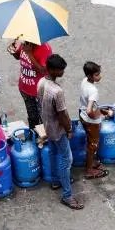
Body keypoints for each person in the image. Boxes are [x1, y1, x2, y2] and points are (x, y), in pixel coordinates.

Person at [37, 54, 82, 210]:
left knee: (53, 153)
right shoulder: (57, 91)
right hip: (58, 130)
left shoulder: (41, 82)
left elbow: (40, 105)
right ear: (52, 70)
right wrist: (69, 129)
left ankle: (56, 180)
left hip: (48, 126)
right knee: (66, 159)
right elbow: (62, 114)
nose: (63, 71)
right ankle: (67, 195)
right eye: (60, 69)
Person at [7, 38, 52, 128]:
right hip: (24, 88)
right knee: (32, 117)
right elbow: (18, 56)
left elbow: (43, 71)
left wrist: (29, 53)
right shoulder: (24, 43)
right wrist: (13, 51)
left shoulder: (45, 49)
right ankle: (34, 136)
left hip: (38, 92)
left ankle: (43, 139)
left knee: (43, 120)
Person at [79, 61, 113, 180]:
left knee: (90, 143)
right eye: (97, 75)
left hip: (82, 116)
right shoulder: (93, 90)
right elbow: (90, 110)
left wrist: (100, 111)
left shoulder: (84, 82)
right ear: (90, 76)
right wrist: (98, 116)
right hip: (90, 121)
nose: (100, 76)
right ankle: (89, 170)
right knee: (93, 145)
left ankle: (91, 162)